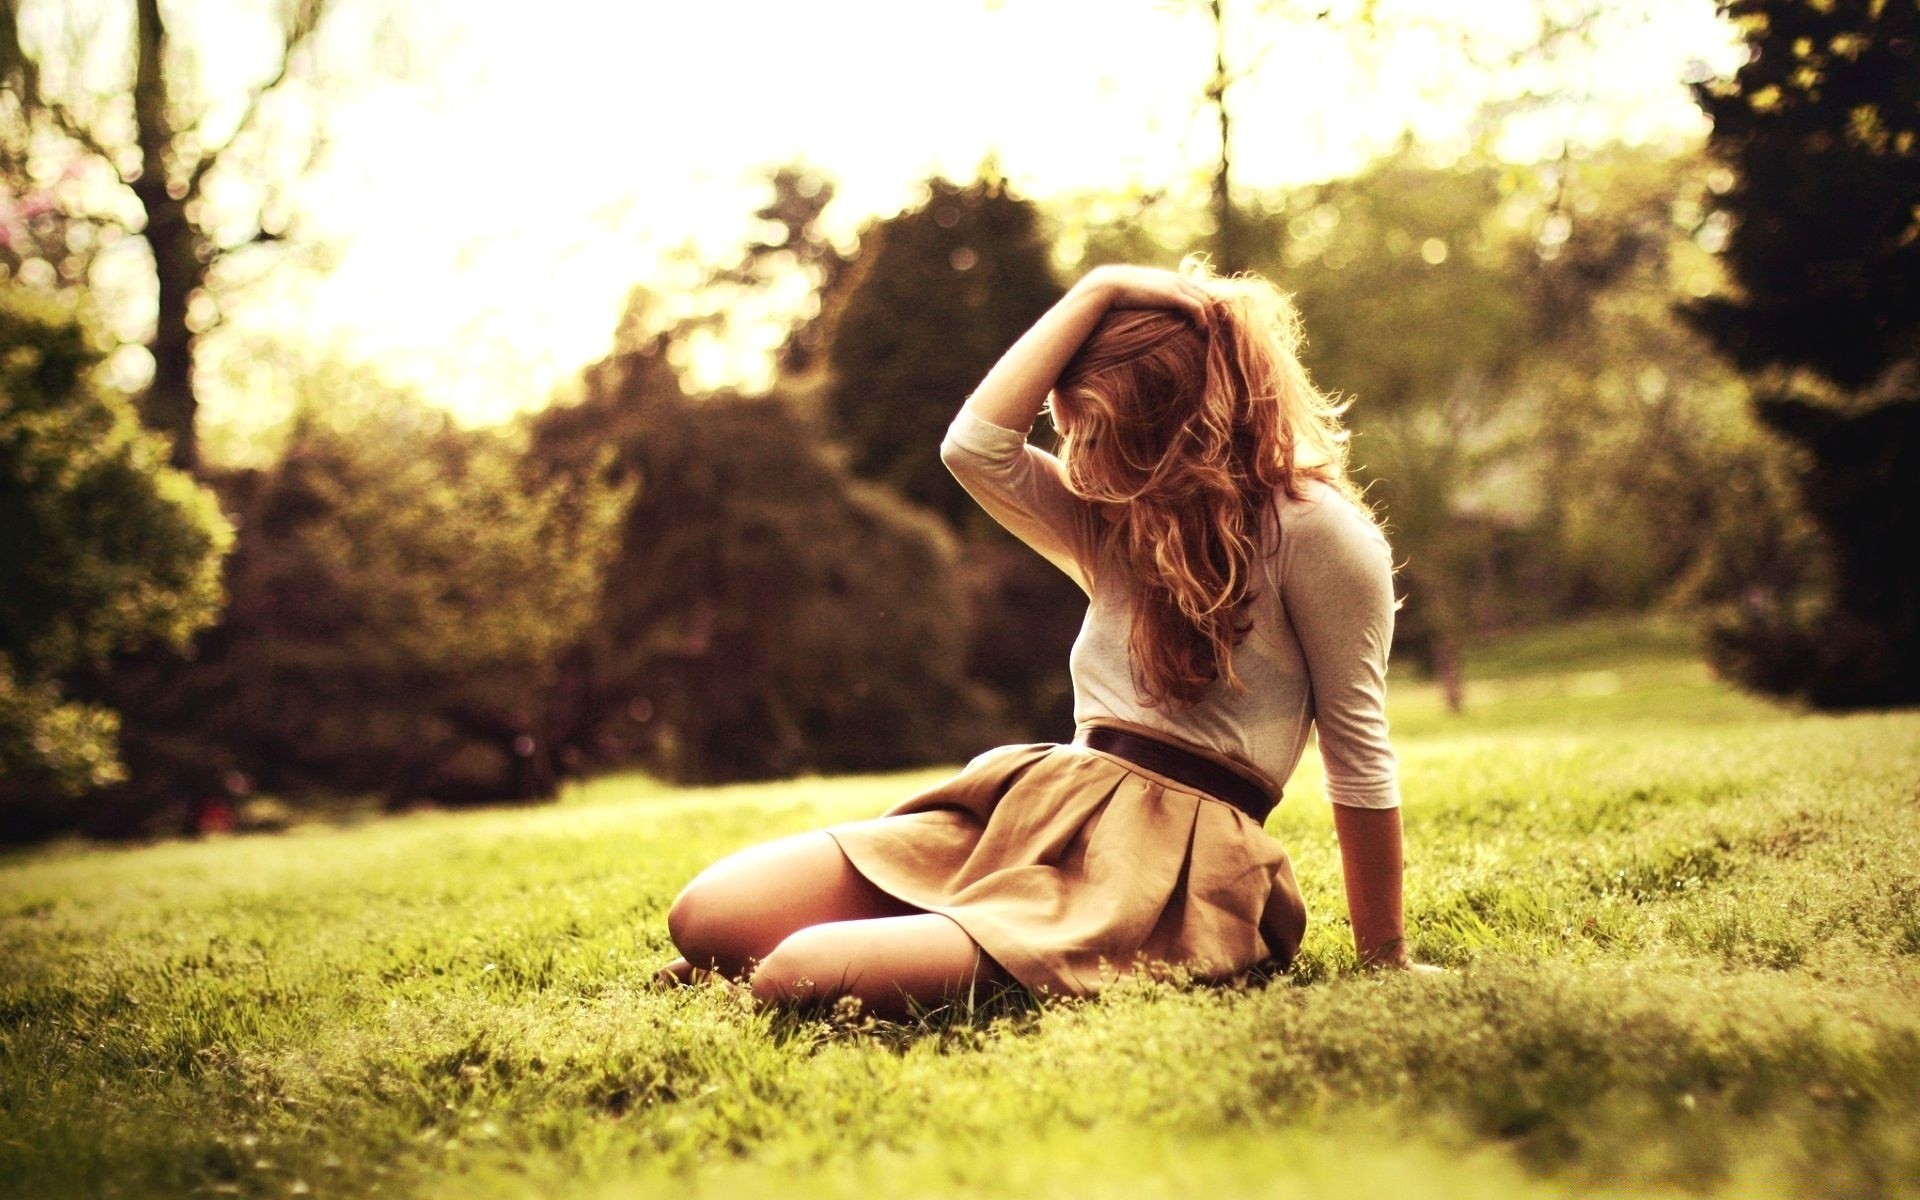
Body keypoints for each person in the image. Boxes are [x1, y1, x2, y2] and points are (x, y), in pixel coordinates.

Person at [658, 261, 1427, 1019]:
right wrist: (1099, 290)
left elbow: (1358, 751)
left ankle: (888, 956)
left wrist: (1383, 955)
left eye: (1097, 431)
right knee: (706, 916)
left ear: (1178, 422)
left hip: (1169, 863)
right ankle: (912, 947)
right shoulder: (1115, 516)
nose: (1078, 460)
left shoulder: (1318, 531)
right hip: (1043, 805)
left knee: (792, 974)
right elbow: (974, 447)